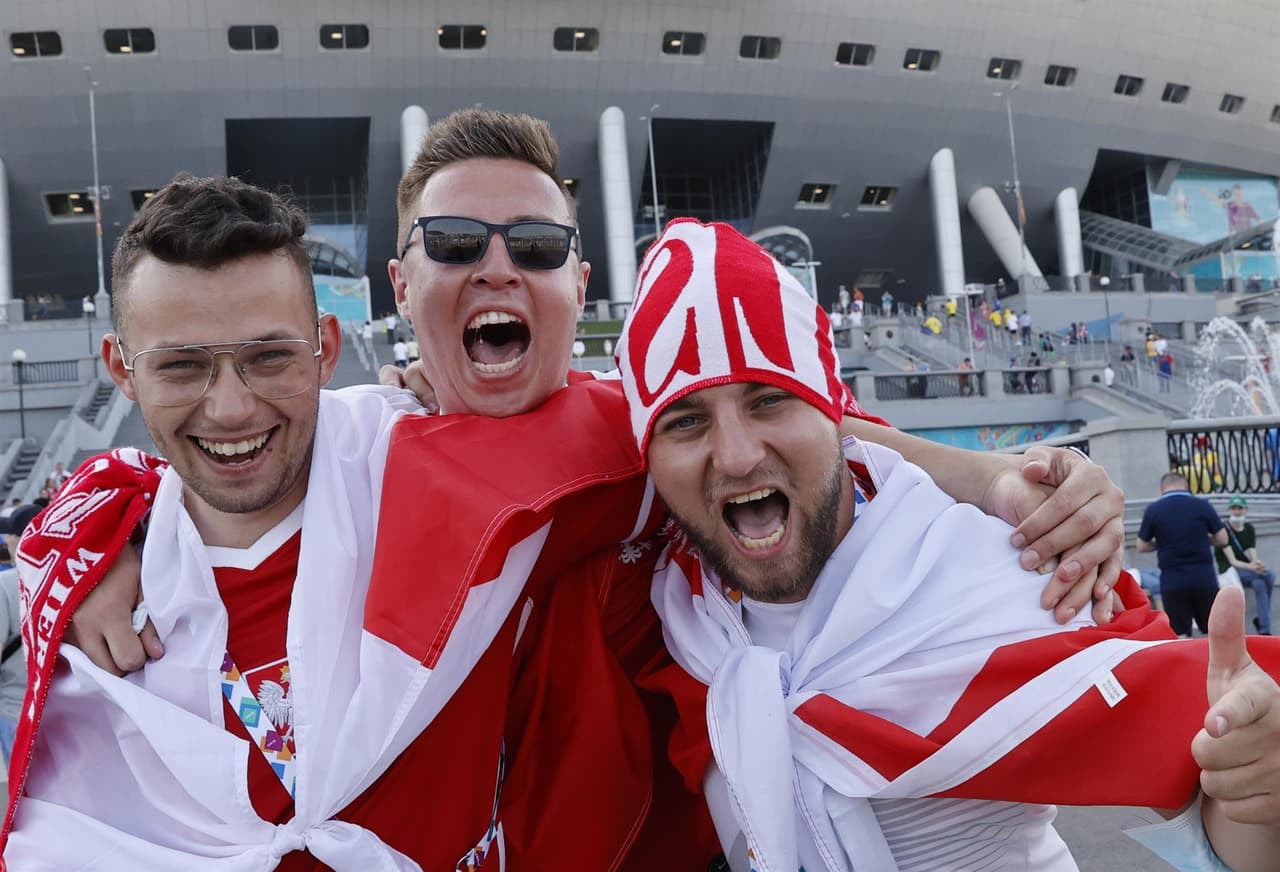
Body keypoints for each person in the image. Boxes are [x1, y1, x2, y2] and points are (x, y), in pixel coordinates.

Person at [17, 112, 1131, 866]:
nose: (497, 266)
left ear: (575, 283)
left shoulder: (649, 441)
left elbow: (814, 436)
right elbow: (171, 477)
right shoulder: (358, 449)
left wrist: (999, 479)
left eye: (535, 245)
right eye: (455, 242)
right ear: (399, 287)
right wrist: (82, 533)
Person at [3, 173, 676, 870]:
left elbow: (688, 445)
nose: (230, 408)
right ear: (122, 369)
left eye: (269, 357)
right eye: (181, 366)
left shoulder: (459, 485)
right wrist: (95, 529)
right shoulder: (80, 609)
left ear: (326, 347)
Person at [615, 220, 1280, 872]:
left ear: (835, 417)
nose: (734, 456)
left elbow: (1212, 817)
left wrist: (1257, 789)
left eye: (769, 401)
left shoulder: (1024, 567)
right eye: (687, 420)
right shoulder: (675, 610)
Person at [1138, 472, 1229, 637]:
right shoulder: (1202, 505)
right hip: (1204, 579)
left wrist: (1162, 543)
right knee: (1213, 632)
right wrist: (1203, 539)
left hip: (1173, 582)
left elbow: (1141, 545)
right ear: (1186, 486)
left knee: (1180, 635)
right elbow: (1223, 538)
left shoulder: (1154, 509)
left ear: (1162, 489)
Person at [0, 505, 37, 766]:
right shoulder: (65, 577)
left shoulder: (5, 584)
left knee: (25, 796)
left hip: (16, 708)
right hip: (61, 704)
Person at [1217, 496, 1275, 635]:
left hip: (1246, 569)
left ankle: (1264, 627)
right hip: (1230, 570)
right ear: (1230, 509)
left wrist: (1258, 564)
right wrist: (1253, 568)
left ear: (1246, 510)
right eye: (1234, 508)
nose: (1237, 511)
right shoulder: (1224, 529)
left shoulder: (1249, 528)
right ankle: (1264, 620)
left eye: (1240, 508)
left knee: (1260, 584)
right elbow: (1232, 561)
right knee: (1270, 575)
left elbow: (1252, 552)